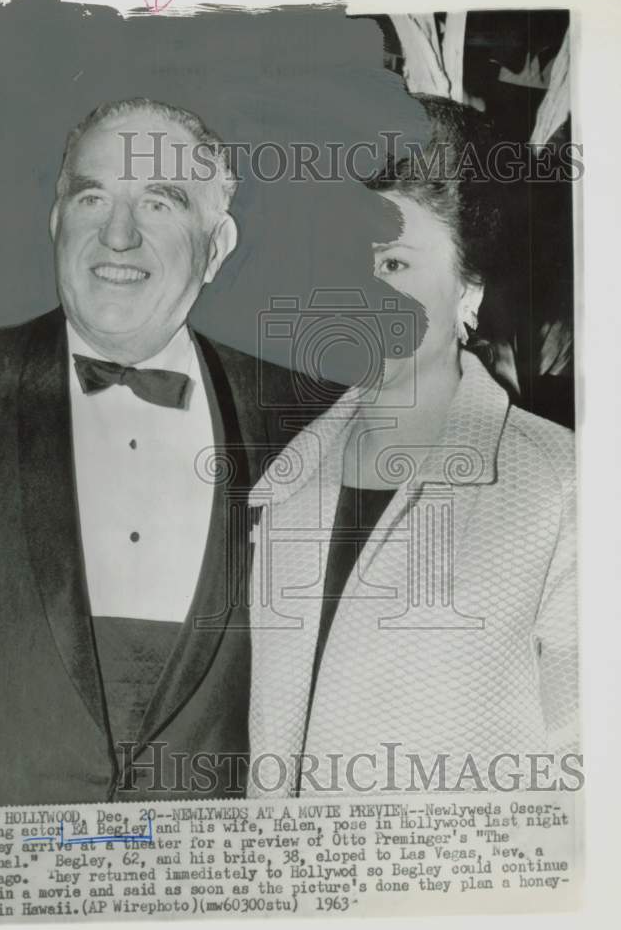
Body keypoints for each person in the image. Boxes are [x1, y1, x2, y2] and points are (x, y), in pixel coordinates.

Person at [0, 97, 341, 807]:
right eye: (92, 197)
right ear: (56, 222)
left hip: (211, 884)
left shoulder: (316, 418)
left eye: (160, 204)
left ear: (216, 247)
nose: (117, 236)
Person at [246, 95, 578, 797]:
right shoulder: (283, 484)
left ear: (469, 289)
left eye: (392, 265)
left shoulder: (562, 489)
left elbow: (589, 789)